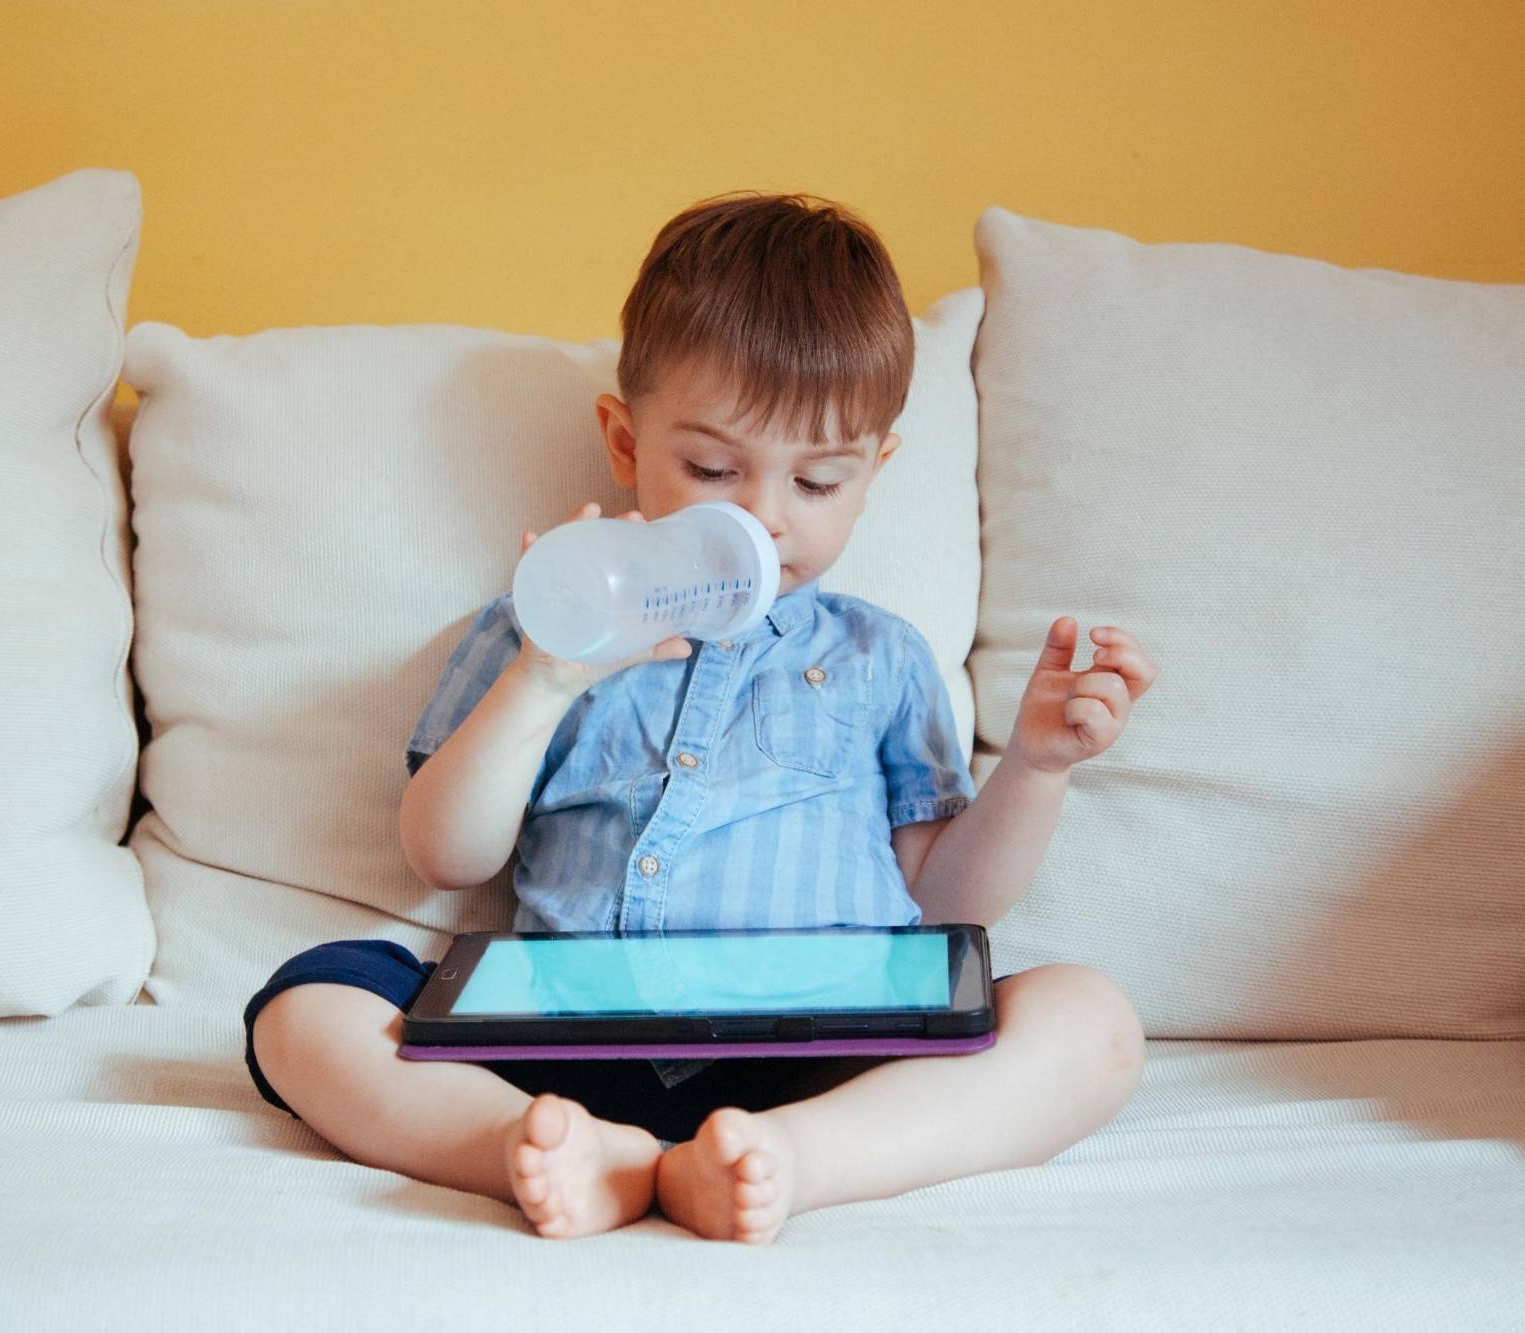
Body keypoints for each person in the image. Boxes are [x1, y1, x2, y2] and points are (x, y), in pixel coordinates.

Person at [244, 192, 1158, 1243]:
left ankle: (791, 1164)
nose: (762, 517)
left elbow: (943, 902)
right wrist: (543, 679)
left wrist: (1036, 766)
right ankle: (540, 1151)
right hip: (566, 1044)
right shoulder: (540, 624)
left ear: (873, 472)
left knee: (1087, 1018)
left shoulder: (878, 656)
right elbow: (444, 854)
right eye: (713, 470)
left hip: (829, 1056)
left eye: (816, 480)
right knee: (306, 1001)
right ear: (624, 442)